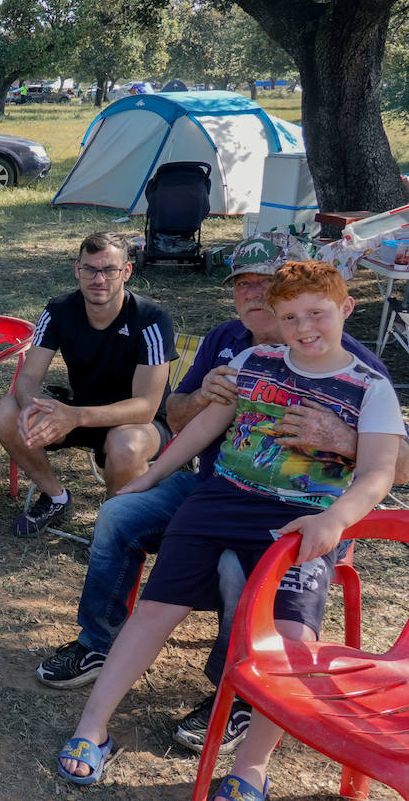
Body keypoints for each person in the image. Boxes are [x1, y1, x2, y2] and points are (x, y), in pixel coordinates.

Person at [34, 234, 409, 754]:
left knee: (271, 615)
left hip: (302, 513)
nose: (299, 323)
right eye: (247, 286)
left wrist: (341, 459)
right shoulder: (248, 352)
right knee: (126, 526)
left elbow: (387, 468)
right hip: (218, 492)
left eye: (269, 285)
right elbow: (191, 420)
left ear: (343, 307)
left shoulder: (366, 376)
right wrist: (154, 470)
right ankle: (94, 684)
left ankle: (239, 711)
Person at [0, 232, 176, 536]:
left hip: (142, 423)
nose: (98, 279)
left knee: (124, 445)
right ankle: (56, 498)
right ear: (77, 270)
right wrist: (29, 407)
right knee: (5, 413)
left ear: (126, 272)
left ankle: (113, 529)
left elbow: (145, 407)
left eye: (109, 270)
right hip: (81, 410)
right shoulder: (59, 310)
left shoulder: (151, 319)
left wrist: (73, 416)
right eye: (89, 269)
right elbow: (28, 378)